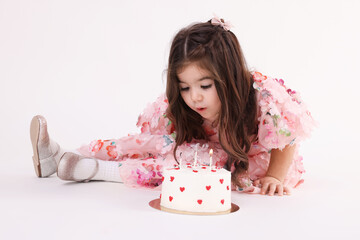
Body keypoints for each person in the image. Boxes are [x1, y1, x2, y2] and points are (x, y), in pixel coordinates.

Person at [30, 15, 316, 196]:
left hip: (242, 161)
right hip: (198, 147)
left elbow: (287, 137)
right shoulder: (188, 105)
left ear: (229, 76)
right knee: (154, 143)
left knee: (192, 162)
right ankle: (64, 156)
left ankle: (88, 169)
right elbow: (159, 140)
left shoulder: (262, 96)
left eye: (205, 86)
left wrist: (275, 176)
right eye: (185, 87)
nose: (195, 98)